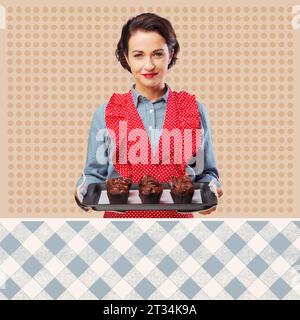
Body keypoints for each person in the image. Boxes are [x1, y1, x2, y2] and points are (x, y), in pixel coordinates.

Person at [75, 12, 223, 218]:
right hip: (119, 227)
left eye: (157, 54)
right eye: (138, 55)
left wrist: (211, 191)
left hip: (178, 226)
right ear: (126, 57)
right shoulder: (105, 113)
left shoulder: (194, 109)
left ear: (170, 54)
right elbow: (92, 176)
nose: (149, 65)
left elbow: (208, 173)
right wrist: (82, 191)